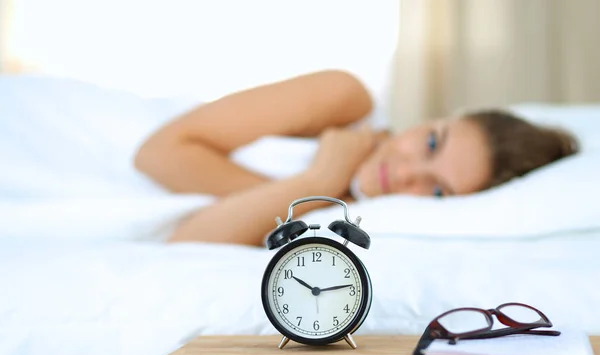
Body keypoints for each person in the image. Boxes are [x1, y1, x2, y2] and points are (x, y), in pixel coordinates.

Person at [134, 70, 579, 246]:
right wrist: (312, 189)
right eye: (430, 144)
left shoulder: (344, 222)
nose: (405, 175)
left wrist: (322, 180)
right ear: (434, 118)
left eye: (438, 190)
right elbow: (156, 153)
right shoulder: (346, 101)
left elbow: (186, 241)